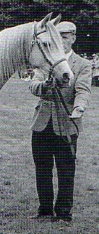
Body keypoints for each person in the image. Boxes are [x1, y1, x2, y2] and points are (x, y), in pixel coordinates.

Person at [29, 21, 92, 222]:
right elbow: (33, 86)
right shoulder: (47, 61)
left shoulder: (82, 64)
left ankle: (64, 213)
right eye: (58, 37)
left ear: (73, 38)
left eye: (65, 37)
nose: (62, 41)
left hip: (67, 124)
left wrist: (79, 108)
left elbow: (83, 90)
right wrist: (45, 86)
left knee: (66, 169)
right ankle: (45, 209)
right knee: (42, 167)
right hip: (42, 123)